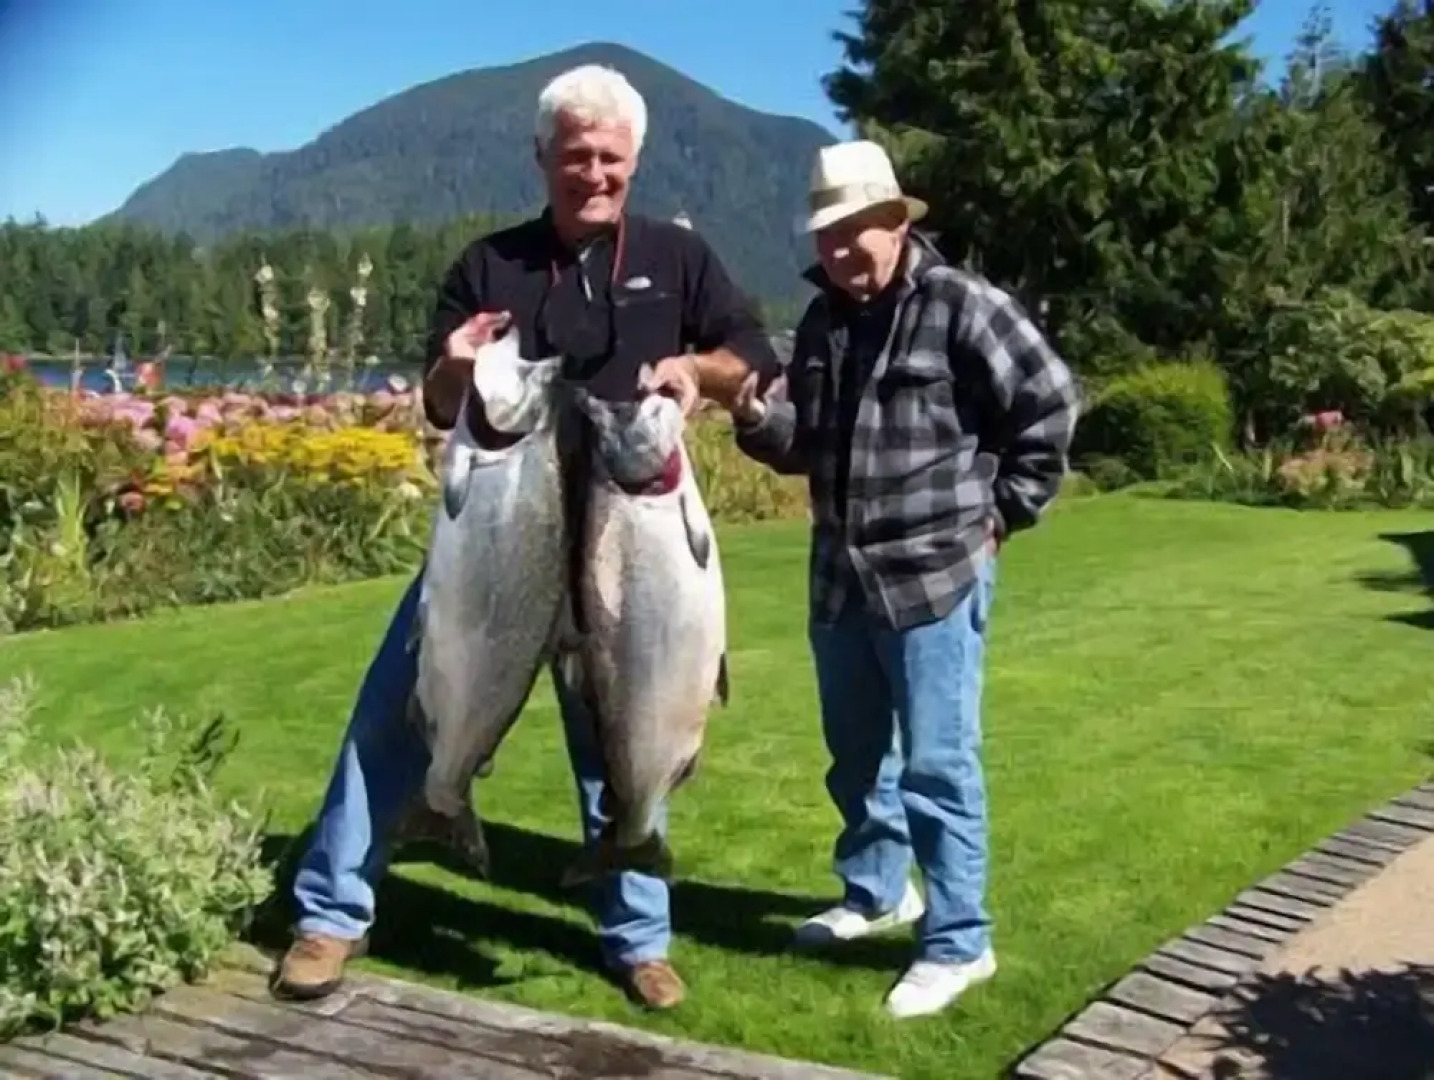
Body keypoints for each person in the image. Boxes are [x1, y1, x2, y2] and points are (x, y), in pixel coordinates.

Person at [271, 62, 779, 1012]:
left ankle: (639, 940)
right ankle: (330, 917)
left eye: (611, 157)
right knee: (393, 714)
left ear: (635, 160)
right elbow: (438, 401)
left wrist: (695, 371)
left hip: (627, 550)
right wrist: (455, 366)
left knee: (619, 735)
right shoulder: (487, 264)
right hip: (498, 547)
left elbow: (749, 350)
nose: (595, 173)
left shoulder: (678, 257)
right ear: (544, 157)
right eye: (576, 155)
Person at [728, 140, 1079, 1019]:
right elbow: (807, 442)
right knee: (857, 760)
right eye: (828, 234)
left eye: (857, 228)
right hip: (840, 577)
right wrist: (757, 417)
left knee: (937, 765)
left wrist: (1006, 512)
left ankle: (960, 942)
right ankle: (878, 893)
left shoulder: (960, 303)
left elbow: (1050, 401)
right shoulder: (823, 321)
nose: (842, 247)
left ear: (895, 221)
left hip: (936, 575)